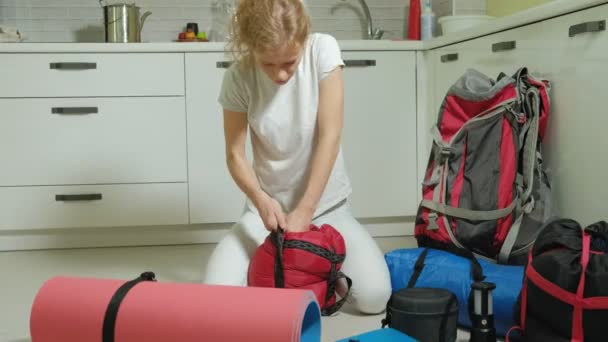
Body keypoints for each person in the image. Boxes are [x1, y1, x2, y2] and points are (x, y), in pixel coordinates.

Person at [202, 0, 392, 315]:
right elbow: (235, 155)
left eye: (289, 62)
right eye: (267, 64)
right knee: (216, 296)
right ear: (250, 48)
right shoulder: (238, 77)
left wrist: (306, 211)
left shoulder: (322, 50)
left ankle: (309, 270)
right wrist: (262, 201)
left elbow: (330, 135)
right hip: (268, 214)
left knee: (374, 297)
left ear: (303, 37)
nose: (279, 74)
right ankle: (278, 271)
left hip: (328, 209)